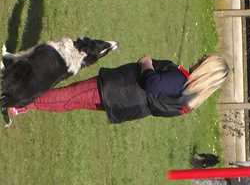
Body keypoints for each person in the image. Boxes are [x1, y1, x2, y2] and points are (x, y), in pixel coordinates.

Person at [7, 54, 229, 124]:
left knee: (67, 97)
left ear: (205, 69)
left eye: (204, 60)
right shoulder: (189, 101)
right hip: (124, 104)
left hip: (117, 89)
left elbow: (151, 83)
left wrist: (146, 64)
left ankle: (17, 100)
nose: (200, 59)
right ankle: (22, 104)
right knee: (70, 100)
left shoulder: (180, 80)